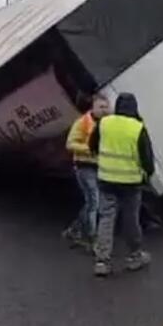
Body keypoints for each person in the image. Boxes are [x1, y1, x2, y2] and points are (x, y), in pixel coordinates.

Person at [88, 92, 155, 277]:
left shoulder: (104, 123)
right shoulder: (137, 128)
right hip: (130, 183)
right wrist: (146, 175)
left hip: (106, 180)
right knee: (130, 219)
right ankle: (134, 256)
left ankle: (102, 261)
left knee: (106, 218)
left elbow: (92, 145)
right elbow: (147, 161)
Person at [62, 93, 110, 251]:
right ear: (93, 107)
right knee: (94, 201)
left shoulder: (106, 123)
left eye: (106, 107)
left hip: (99, 167)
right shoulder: (83, 122)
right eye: (101, 107)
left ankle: (74, 229)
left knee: (92, 202)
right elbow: (70, 144)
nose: (104, 110)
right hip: (84, 166)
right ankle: (92, 237)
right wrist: (89, 149)